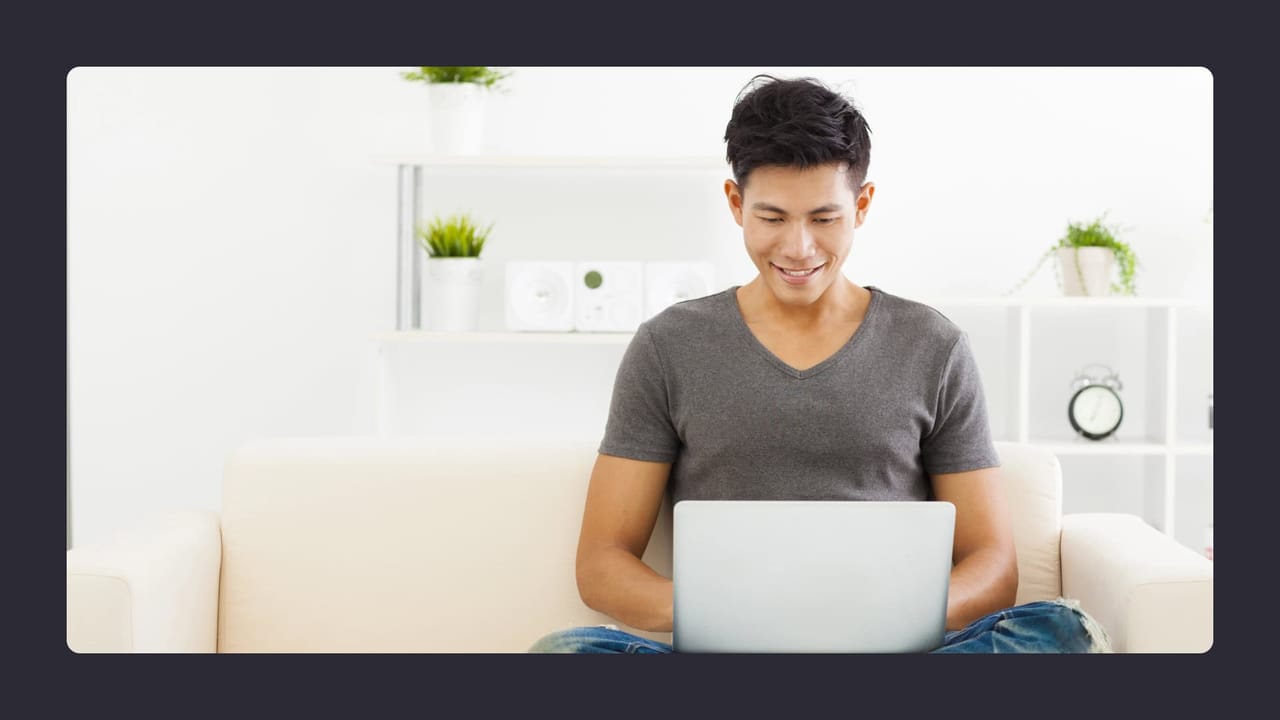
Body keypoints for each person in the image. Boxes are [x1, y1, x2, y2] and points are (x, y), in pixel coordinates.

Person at [529, 74, 1111, 654]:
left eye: (824, 219)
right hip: (728, 650)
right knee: (564, 653)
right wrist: (742, 615)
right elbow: (602, 564)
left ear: (862, 205)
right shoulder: (668, 346)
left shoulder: (933, 346)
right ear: (736, 204)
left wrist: (877, 614)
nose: (799, 248)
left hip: (892, 650)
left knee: (1062, 631)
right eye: (773, 218)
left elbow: (993, 564)